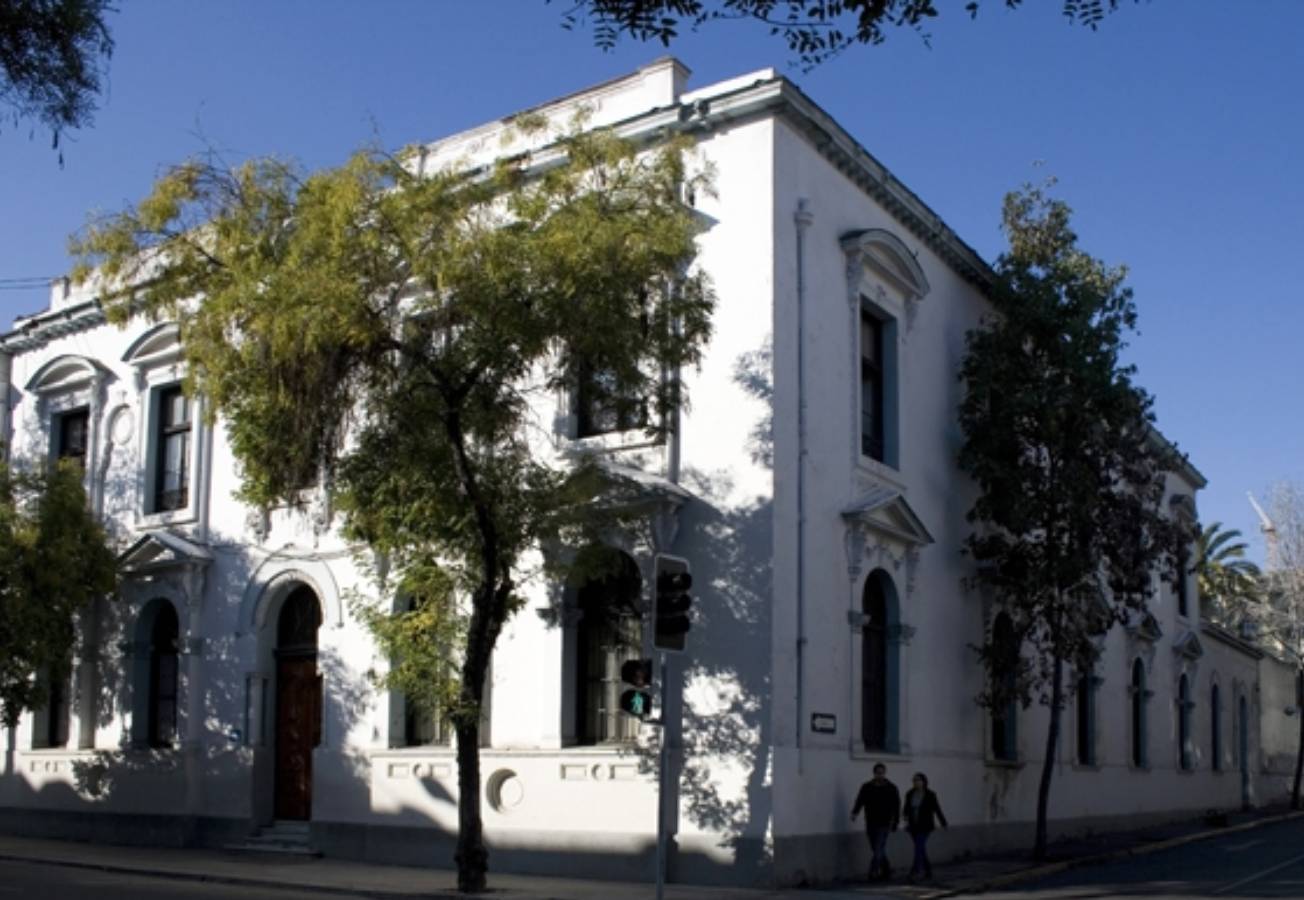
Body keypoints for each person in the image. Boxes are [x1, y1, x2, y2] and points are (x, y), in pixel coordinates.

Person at [850, 762, 900, 881]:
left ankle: (873, 872)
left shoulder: (891, 788)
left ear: (885, 773)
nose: (880, 775)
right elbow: (860, 800)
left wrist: (896, 821)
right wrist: (855, 812)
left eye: (882, 773)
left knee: (878, 848)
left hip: (885, 822)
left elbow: (896, 806)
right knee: (877, 848)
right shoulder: (867, 787)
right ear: (874, 773)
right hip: (871, 822)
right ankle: (886, 870)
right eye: (878, 773)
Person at [901, 771, 947, 881]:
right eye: (914, 780)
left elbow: (937, 809)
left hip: (925, 825)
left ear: (924, 781)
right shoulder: (910, 793)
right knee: (920, 848)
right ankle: (928, 870)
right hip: (913, 825)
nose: (916, 782)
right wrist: (905, 818)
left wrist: (943, 822)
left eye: (918, 780)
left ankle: (916, 871)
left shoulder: (930, 794)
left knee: (918, 847)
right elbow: (906, 808)